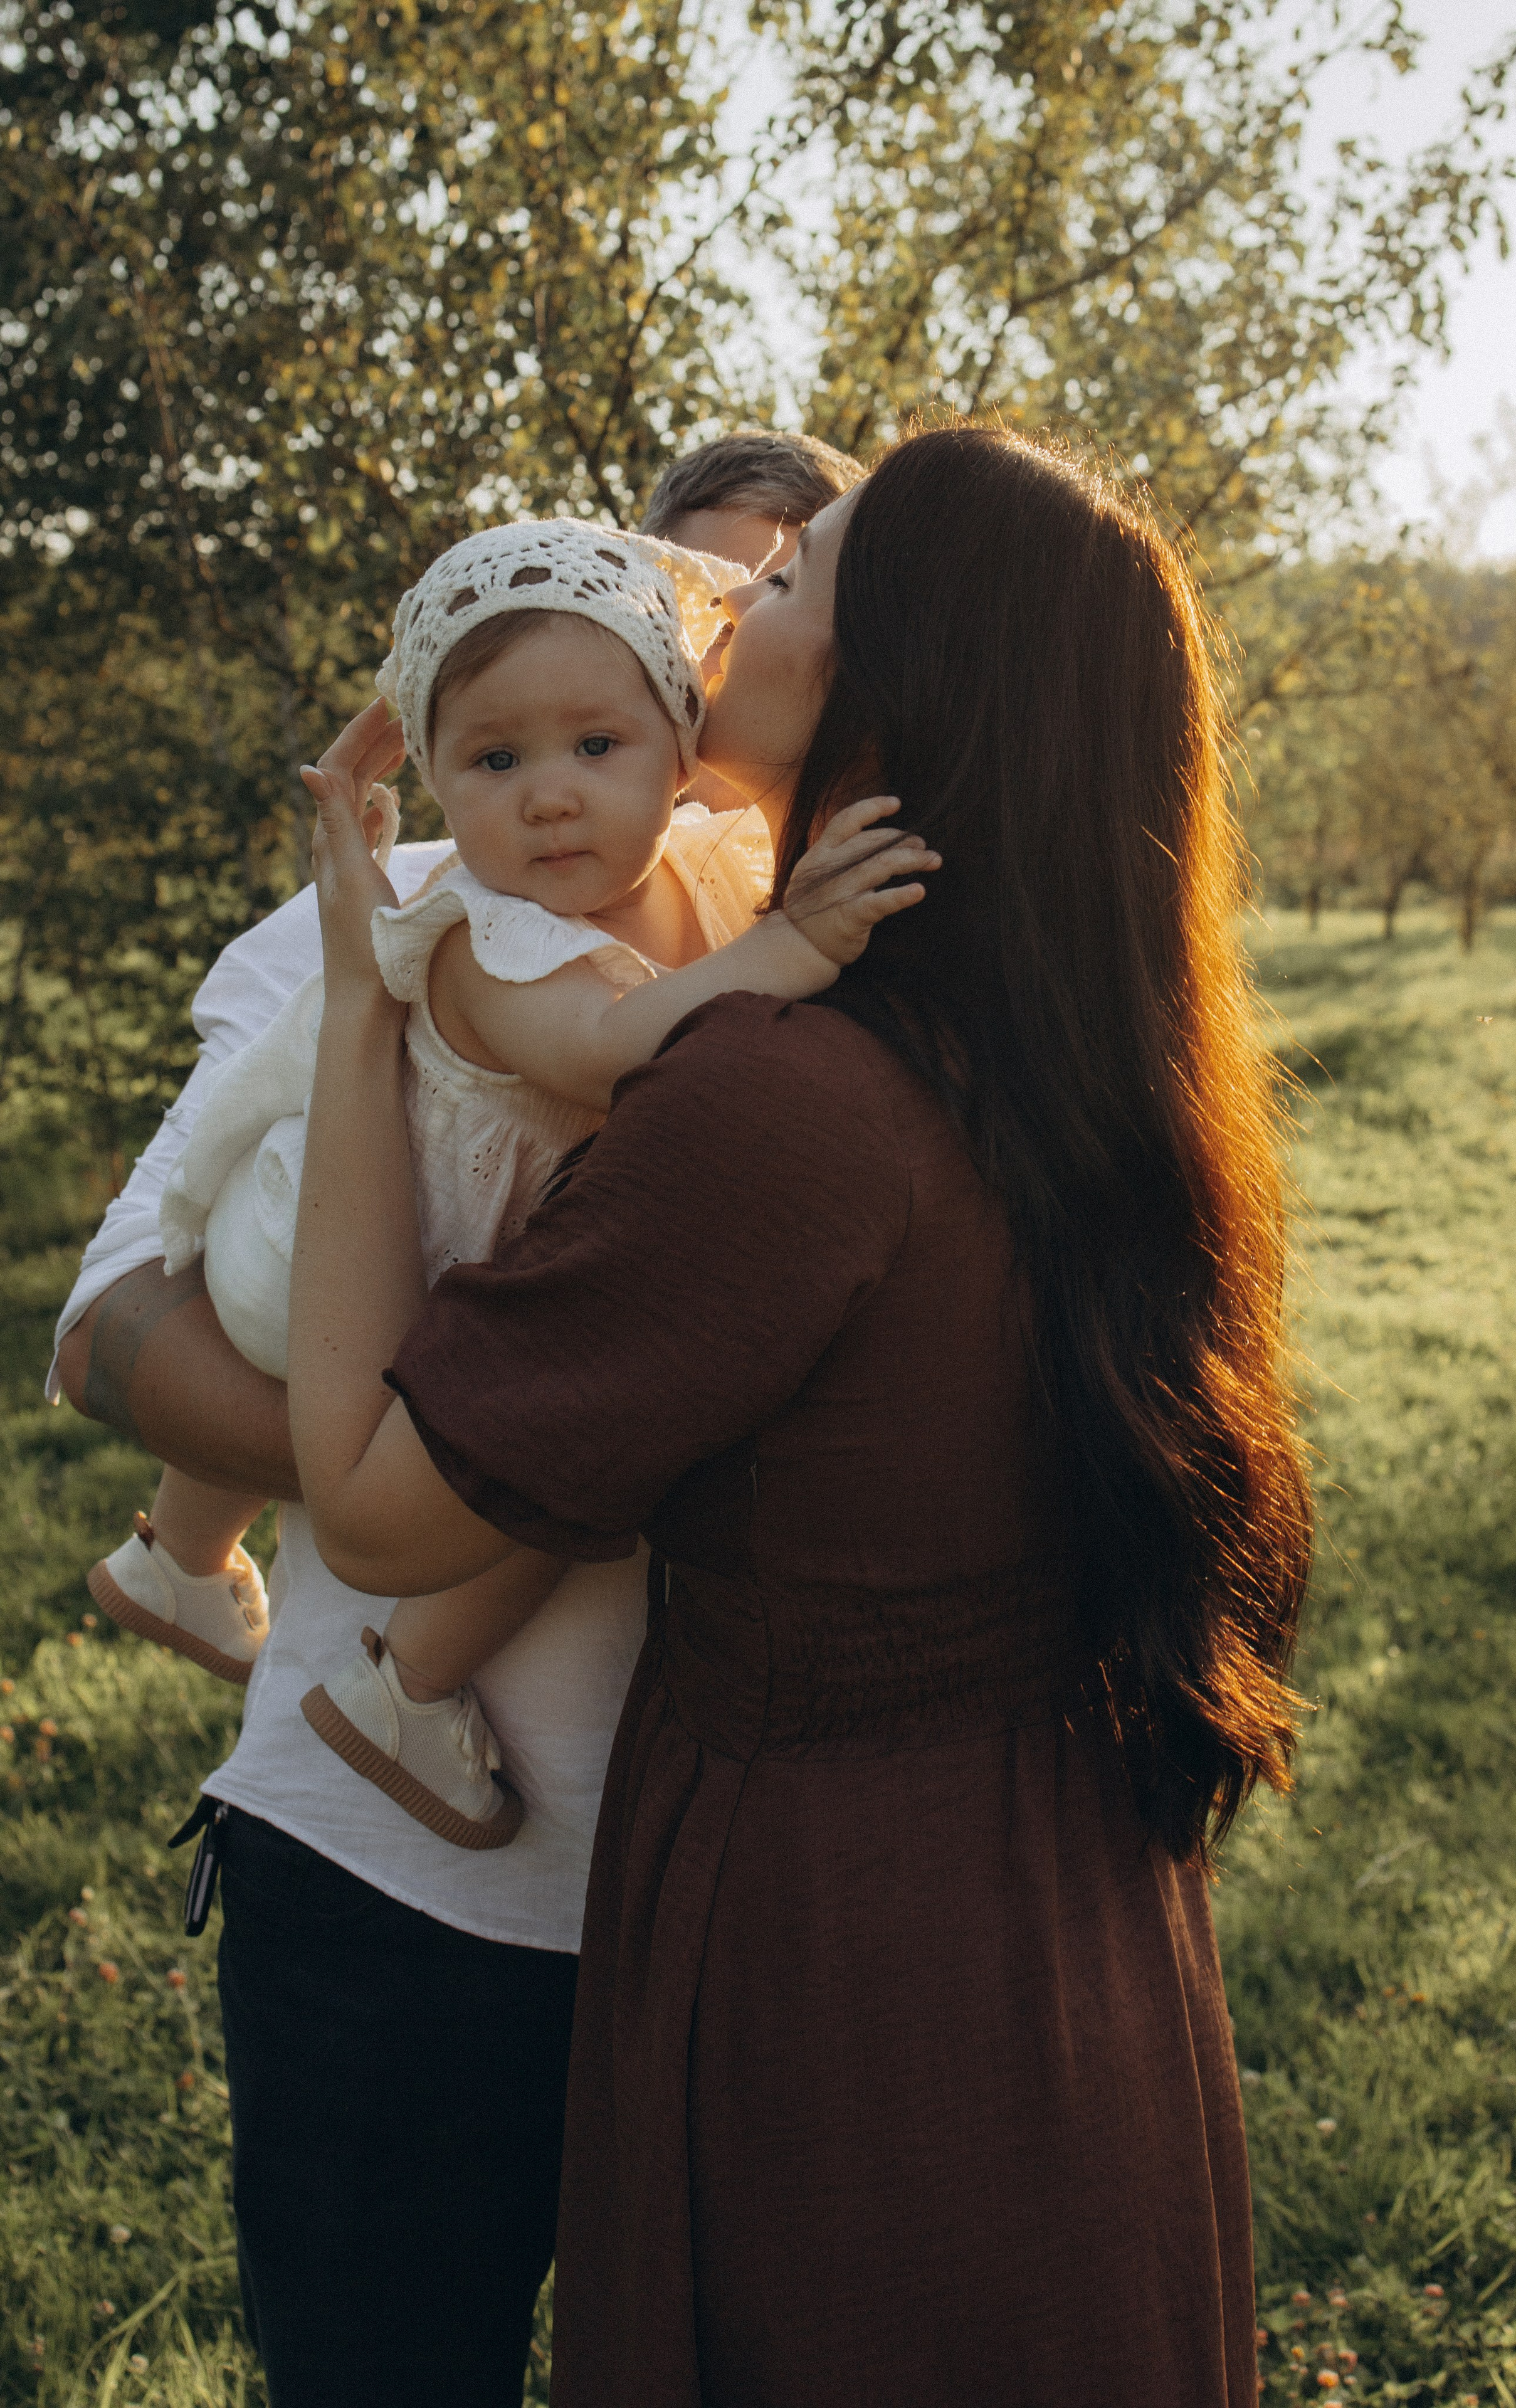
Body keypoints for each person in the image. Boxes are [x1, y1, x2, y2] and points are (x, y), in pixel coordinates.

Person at [289, 423, 1313, 2405]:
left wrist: (359, 1001)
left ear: (885, 675)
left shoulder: (784, 1101)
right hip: (1071, 1930)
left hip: (850, 1978)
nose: (733, 594)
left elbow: (372, 1511)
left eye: (798, 576)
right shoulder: (1084, 1060)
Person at [50, 430, 862, 2406]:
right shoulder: (412, 900)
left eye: (767, 608)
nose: (718, 638)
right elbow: (106, 1323)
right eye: (687, 590)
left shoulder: (843, 936)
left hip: (747, 1895)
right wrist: (406, 1463)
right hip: (392, 1895)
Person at [97, 515, 927, 1849]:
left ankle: (180, 1556)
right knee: (558, 1459)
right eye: (494, 759)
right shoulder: (476, 929)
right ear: (427, 777)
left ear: (675, 737)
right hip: (337, 1262)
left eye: (595, 748)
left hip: (390, 1263)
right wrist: (800, 945)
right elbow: (616, 1051)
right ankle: (405, 1686)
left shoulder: (704, 872)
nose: (548, 794)